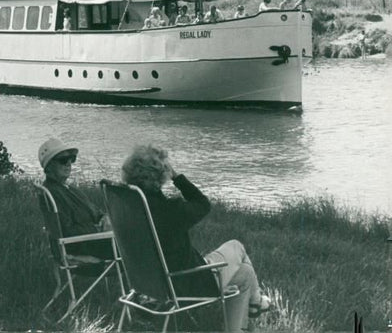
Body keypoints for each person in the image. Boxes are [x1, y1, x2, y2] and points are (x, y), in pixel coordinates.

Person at [121, 145, 272, 333]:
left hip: (147, 284)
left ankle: (253, 307)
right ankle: (255, 304)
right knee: (238, 251)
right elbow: (202, 203)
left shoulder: (128, 208)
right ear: (161, 175)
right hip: (184, 283)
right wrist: (177, 177)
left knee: (244, 271)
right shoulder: (170, 211)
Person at [39, 138, 112, 259]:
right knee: (138, 243)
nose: (68, 163)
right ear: (49, 166)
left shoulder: (69, 189)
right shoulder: (52, 193)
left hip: (96, 240)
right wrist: (98, 229)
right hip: (85, 247)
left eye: (71, 159)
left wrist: (105, 219)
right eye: (63, 160)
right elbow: (67, 231)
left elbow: (96, 212)